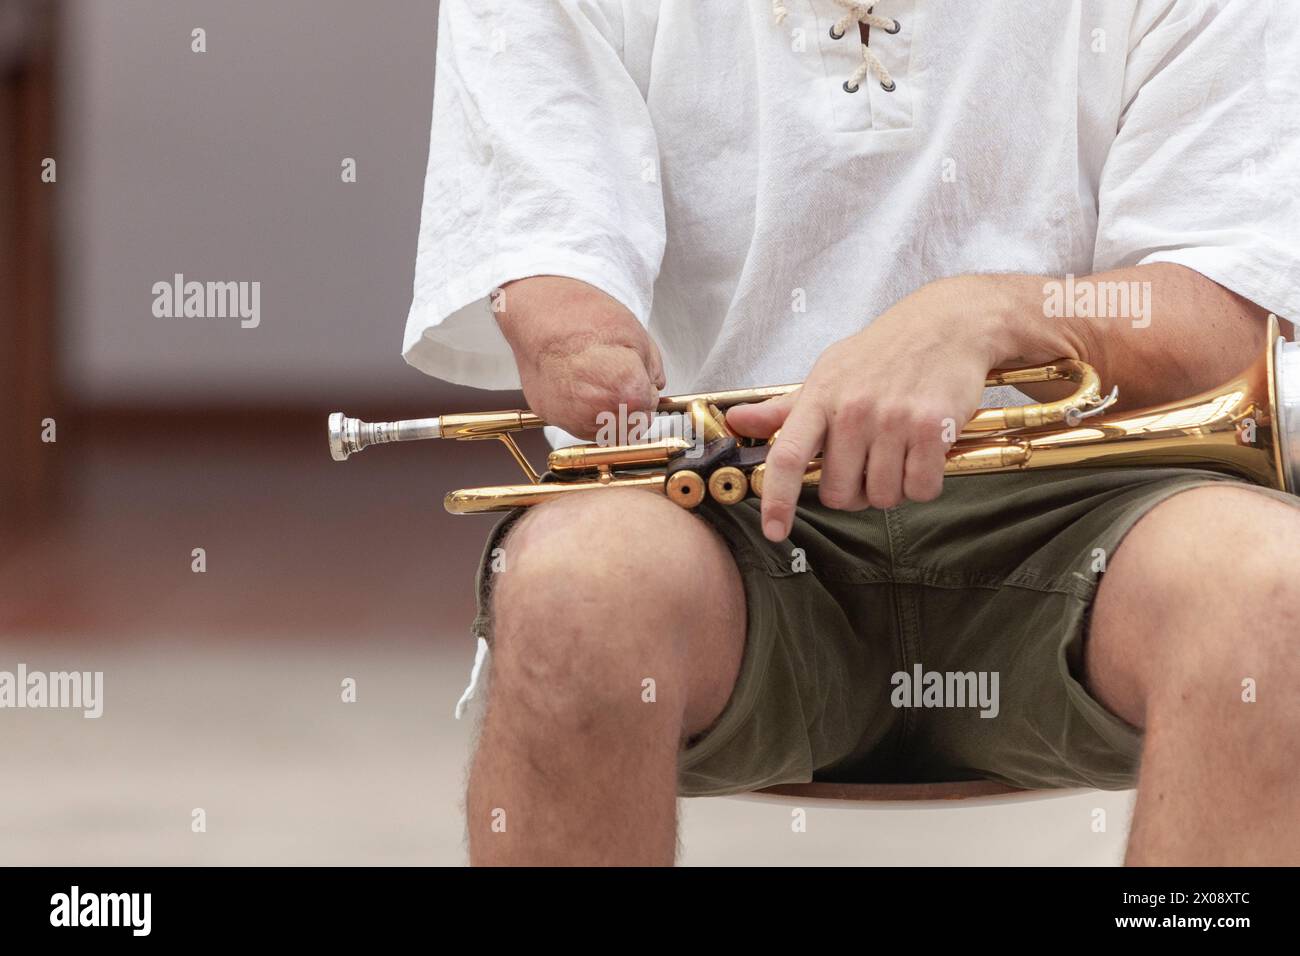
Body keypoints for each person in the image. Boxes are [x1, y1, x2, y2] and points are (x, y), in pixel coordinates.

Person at [402, 0, 1300, 865]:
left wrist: (986, 316)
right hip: (717, 506)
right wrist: (575, 338)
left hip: (1108, 511)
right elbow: (543, 246)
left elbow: (1228, 304)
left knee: (1276, 594)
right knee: (572, 592)